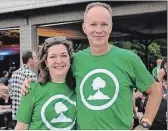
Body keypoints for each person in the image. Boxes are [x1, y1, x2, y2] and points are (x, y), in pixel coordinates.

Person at [21, 2, 162, 130]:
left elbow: (155, 91)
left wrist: (145, 124)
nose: (98, 30)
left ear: (111, 27)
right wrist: (31, 85)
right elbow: (56, 80)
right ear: (84, 27)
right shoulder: (74, 60)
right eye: (93, 24)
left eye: (104, 24)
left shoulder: (129, 58)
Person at [15, 36, 76, 130]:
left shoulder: (78, 88)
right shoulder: (31, 88)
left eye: (64, 55)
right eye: (53, 56)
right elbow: (21, 127)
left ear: (69, 59)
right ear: (46, 62)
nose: (59, 61)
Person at [10, 50, 39, 125]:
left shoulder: (15, 73)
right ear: (30, 60)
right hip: (26, 115)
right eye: (36, 58)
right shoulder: (30, 75)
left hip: (15, 113)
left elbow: (11, 94)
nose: (37, 60)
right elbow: (34, 98)